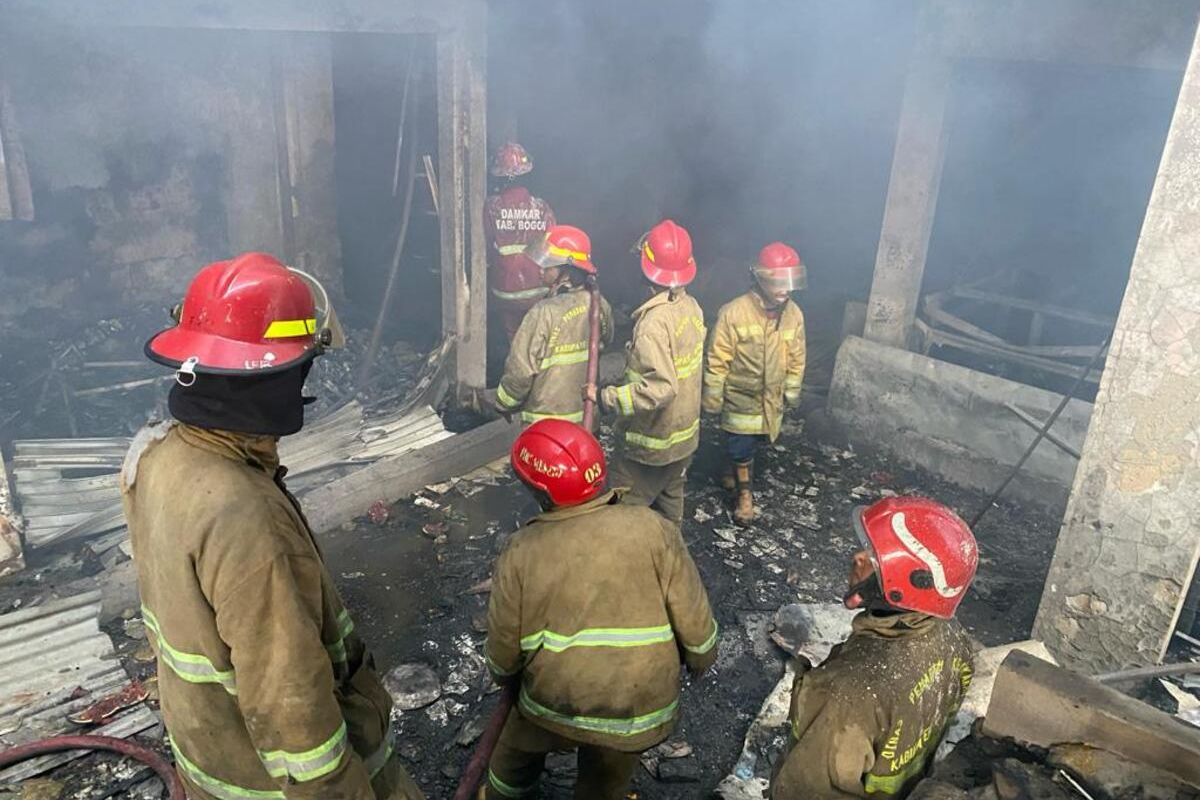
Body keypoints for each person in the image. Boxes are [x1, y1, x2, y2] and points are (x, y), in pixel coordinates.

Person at [122, 252, 424, 799]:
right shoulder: (245, 517)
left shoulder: (153, 456)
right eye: (301, 366)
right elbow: (292, 703)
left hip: (209, 752)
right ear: (274, 376)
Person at [483, 419, 719, 799]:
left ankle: (501, 794)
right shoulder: (652, 526)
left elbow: (504, 651)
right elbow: (695, 618)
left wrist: (505, 677)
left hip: (554, 702)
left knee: (515, 749)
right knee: (607, 774)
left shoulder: (520, 550)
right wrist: (701, 657)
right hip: (640, 708)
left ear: (536, 490)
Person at [770, 497, 978, 800]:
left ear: (907, 584)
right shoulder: (952, 637)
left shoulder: (848, 695)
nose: (857, 558)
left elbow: (804, 789)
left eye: (873, 557)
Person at [590, 219, 706, 526]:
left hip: (650, 445)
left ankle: (630, 571)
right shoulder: (692, 307)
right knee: (670, 510)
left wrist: (606, 398)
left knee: (622, 516)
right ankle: (671, 566)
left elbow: (660, 388)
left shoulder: (653, 323)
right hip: (683, 441)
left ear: (646, 269)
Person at [703, 242, 807, 526]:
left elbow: (797, 355)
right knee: (741, 447)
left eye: (789, 282)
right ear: (760, 278)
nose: (785, 290)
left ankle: (731, 470)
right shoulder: (734, 313)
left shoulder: (794, 314)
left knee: (755, 444)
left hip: (770, 400)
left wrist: (792, 392)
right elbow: (717, 357)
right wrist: (713, 398)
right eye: (778, 282)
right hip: (741, 398)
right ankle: (744, 498)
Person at [493, 224, 613, 425]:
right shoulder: (599, 304)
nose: (540, 270)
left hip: (544, 427)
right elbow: (605, 341)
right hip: (586, 422)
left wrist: (503, 404)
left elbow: (520, 372)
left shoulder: (542, 313)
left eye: (547, 265)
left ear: (566, 271)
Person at [486, 142, 556, 341]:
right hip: (538, 288)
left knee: (513, 337)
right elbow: (553, 247)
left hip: (504, 290)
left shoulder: (491, 206)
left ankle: (514, 363)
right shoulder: (542, 207)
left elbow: (485, 246)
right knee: (538, 336)